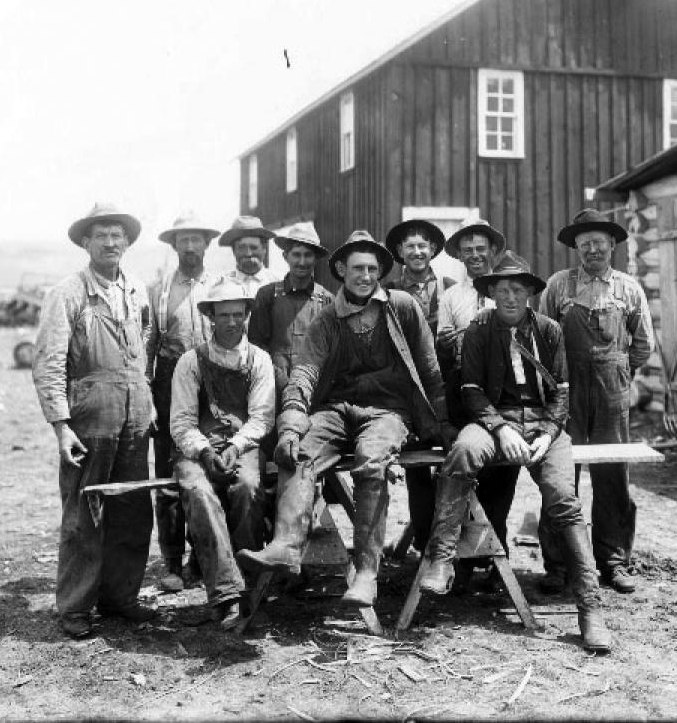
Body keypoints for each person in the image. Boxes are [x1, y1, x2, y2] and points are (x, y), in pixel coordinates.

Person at [237, 230, 453, 607]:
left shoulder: (401, 307)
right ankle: (287, 544)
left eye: (372, 268)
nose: (365, 276)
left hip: (388, 412)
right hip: (337, 410)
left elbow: (430, 370)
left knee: (372, 460)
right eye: (357, 269)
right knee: (299, 450)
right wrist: (290, 424)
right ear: (341, 270)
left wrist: (444, 423)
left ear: (381, 271)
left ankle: (367, 572)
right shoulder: (326, 319)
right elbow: (304, 373)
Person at [420, 251, 611, 653]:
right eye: (502, 289)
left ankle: (591, 607)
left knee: (563, 499)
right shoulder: (478, 330)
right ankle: (441, 557)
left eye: (517, 290)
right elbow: (470, 389)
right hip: (494, 420)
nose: (509, 297)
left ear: (529, 294)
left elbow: (561, 390)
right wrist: (500, 427)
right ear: (491, 294)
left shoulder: (550, 330)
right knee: (463, 453)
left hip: (544, 425)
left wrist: (550, 432)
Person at [32, 203, 156, 639]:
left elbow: (145, 344)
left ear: (127, 242)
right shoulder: (67, 293)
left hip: (136, 411)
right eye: (101, 235)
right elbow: (48, 362)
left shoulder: (138, 289)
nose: (110, 243)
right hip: (90, 411)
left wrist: (144, 399)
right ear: (86, 242)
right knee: (84, 509)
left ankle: (121, 598)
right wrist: (62, 426)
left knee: (133, 507)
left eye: (117, 235)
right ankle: (76, 606)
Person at [537, 209, 654, 595]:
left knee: (612, 478)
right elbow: (541, 340)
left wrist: (619, 372)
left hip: (611, 394)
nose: (592, 250)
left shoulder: (628, 288)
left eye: (599, 243)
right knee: (559, 477)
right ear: (576, 248)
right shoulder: (558, 286)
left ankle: (614, 562)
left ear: (612, 246)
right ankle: (558, 565)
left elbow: (642, 345)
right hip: (566, 394)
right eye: (585, 244)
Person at [169, 280, 275, 629]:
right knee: (199, 493)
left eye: (237, 314)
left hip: (241, 443)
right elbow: (182, 422)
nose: (231, 322)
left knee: (246, 487)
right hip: (198, 445)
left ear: (247, 315)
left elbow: (261, 417)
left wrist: (236, 446)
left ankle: (248, 586)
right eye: (223, 314)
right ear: (210, 317)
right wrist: (202, 451)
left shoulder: (259, 360)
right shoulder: (191, 362)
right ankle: (226, 594)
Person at [435, 217, 520, 573]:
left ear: (493, 251)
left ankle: (494, 556)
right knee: (468, 471)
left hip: (508, 399)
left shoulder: (510, 290)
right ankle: (464, 561)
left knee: (502, 475)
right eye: (467, 250)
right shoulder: (453, 296)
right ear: (459, 256)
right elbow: (444, 343)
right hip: (467, 396)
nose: (474, 256)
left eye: (480, 249)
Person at [146, 212, 220, 593]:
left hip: (211, 380)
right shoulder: (158, 290)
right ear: (174, 246)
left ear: (207, 244)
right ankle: (172, 562)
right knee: (169, 475)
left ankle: (203, 557)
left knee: (207, 467)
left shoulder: (221, 286)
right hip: (169, 381)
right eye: (183, 240)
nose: (190, 247)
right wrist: (149, 397)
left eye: (196, 240)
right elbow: (148, 346)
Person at [383, 218, 457, 552]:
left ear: (433, 250)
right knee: (417, 466)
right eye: (410, 246)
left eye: (422, 245)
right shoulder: (386, 292)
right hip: (407, 387)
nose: (417, 252)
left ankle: (454, 540)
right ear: (399, 252)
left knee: (452, 458)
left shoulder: (450, 287)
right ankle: (426, 541)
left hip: (445, 385)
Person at [248, 223, 333, 402]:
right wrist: (279, 378)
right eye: (296, 254)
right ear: (285, 256)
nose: (302, 262)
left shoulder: (327, 300)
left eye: (308, 255)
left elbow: (330, 351)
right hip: (270, 387)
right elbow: (256, 344)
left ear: (316, 258)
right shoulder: (267, 295)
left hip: (313, 388)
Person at [218, 215, 280, 298]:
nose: (248, 253)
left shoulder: (278, 284)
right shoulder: (221, 286)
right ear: (234, 250)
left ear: (264, 249)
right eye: (242, 248)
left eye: (254, 247)